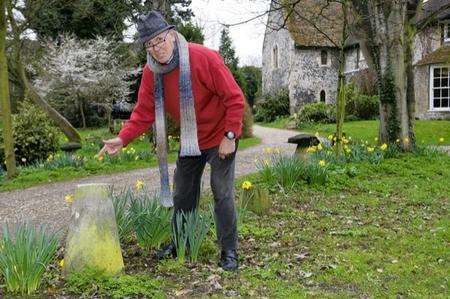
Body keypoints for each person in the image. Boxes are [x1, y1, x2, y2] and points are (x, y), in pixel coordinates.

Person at [97, 11, 245, 271]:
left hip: (221, 135)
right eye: (150, 45)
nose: (157, 49)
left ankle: (229, 251)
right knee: (182, 193)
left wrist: (230, 135)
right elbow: (143, 112)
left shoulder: (204, 58)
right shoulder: (151, 72)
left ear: (173, 35)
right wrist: (123, 138)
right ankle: (181, 242)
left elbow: (234, 97)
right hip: (191, 141)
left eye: (160, 40)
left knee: (221, 191)